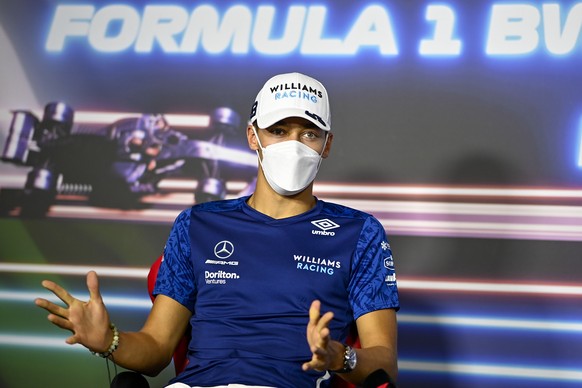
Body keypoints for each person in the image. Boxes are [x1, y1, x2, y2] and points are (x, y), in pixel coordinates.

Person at [35, 72, 400, 388]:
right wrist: (110, 340)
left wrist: (341, 357)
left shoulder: (359, 233)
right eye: (278, 130)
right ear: (252, 137)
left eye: (308, 133)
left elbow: (385, 364)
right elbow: (156, 349)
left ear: (327, 145)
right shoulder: (197, 224)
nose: (293, 145)